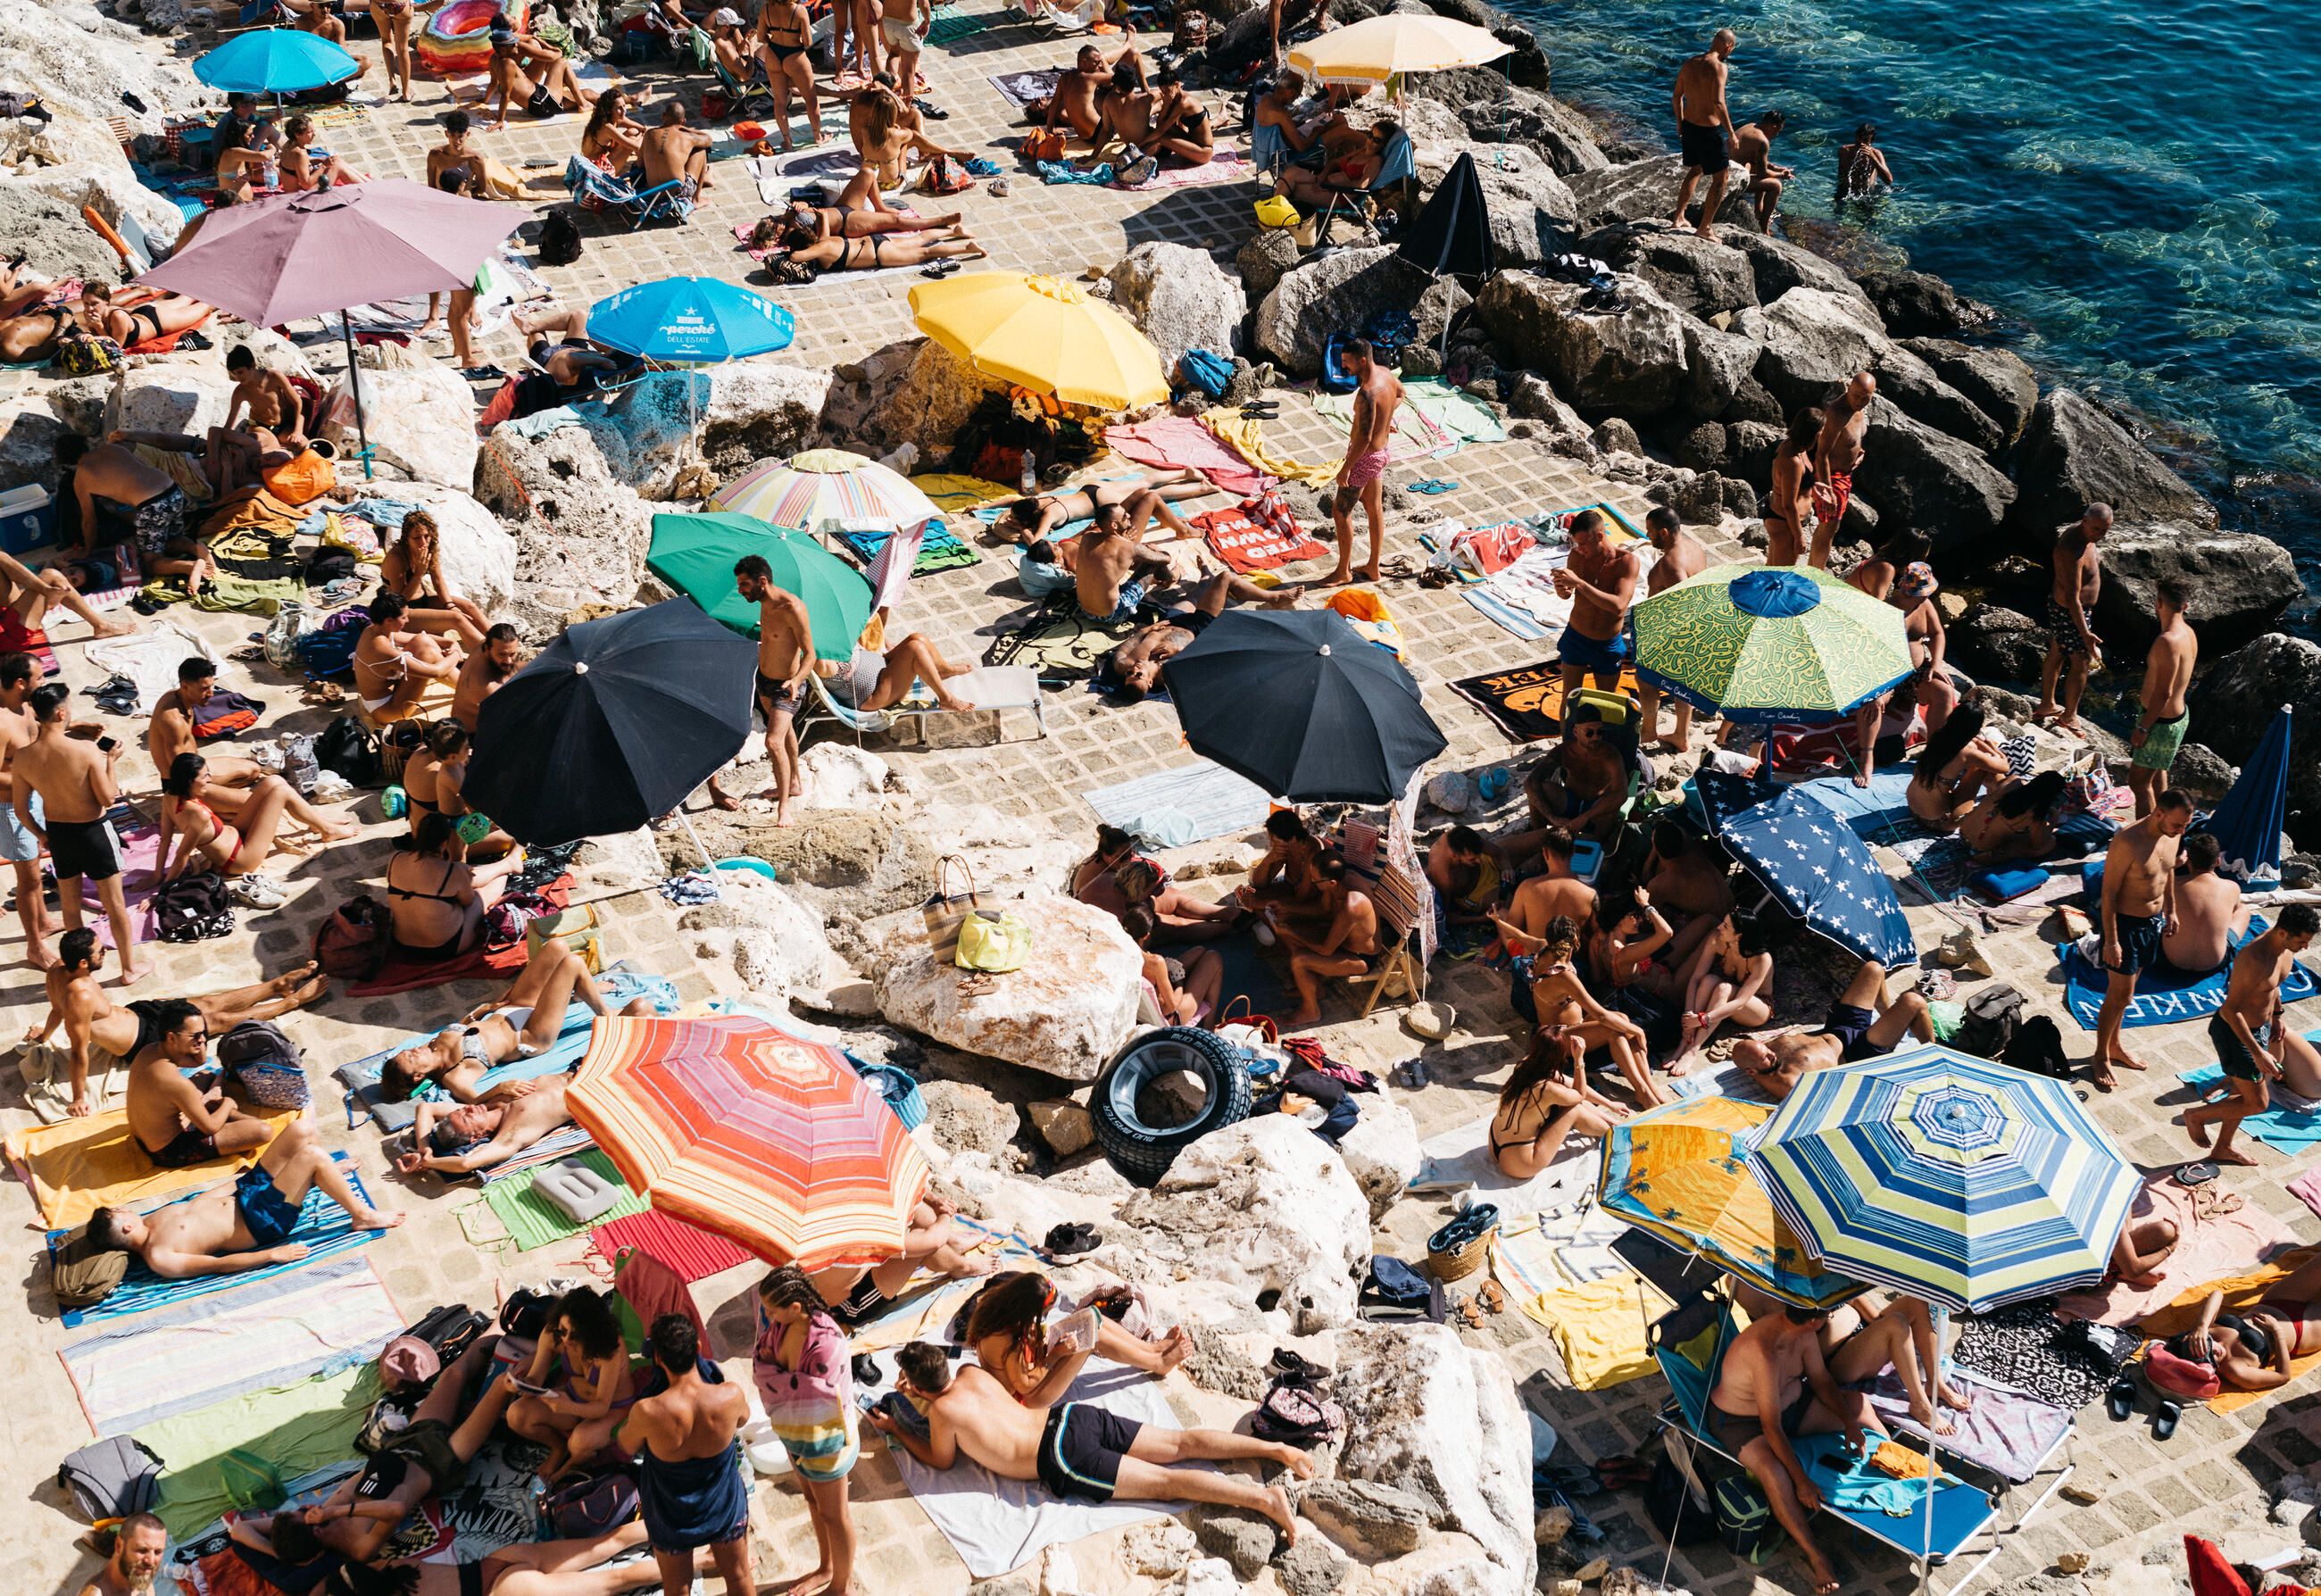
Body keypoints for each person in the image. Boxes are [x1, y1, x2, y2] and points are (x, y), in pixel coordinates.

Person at [873, 1341, 1305, 1540]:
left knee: (1166, 1483)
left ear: (916, 1386)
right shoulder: (971, 1373)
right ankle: (1277, 1449)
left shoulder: (943, 1413)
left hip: (1060, 1455)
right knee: (1181, 1444)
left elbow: (941, 1460)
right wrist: (922, 1387)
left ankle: (1264, 1500)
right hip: (1072, 1419)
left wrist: (897, 1428)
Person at [27, 934, 325, 1119]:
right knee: (217, 1021)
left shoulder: (57, 969)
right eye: (99, 951)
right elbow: (78, 1052)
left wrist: (44, 1036)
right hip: (142, 1040)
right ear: (82, 963)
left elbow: (55, 1009)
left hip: (138, 1013)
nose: (104, 951)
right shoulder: (79, 996)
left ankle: (277, 985)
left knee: (208, 1002)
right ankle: (292, 1001)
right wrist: (79, 1098)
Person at [1705, 1300, 1887, 1593]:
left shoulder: (1803, 1331)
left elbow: (1821, 1380)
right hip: (1742, 1421)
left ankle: (1899, 1466)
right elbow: (1771, 1427)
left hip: (1792, 1405)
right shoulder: (1764, 1351)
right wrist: (1801, 1481)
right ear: (1815, 1321)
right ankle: (1816, 1556)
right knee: (1775, 1473)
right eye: (1828, 1315)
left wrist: (1848, 1422)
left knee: (1859, 1406)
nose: (1830, 1318)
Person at [90, 1115, 402, 1276]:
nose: (125, 1208)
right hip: (260, 1220)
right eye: (120, 1212)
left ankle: (315, 1176)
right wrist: (270, 1255)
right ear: (126, 1227)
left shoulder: (148, 1220)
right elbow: (218, 1265)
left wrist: (246, 1179)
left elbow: (202, 1202)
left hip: (246, 1191)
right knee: (312, 1155)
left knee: (302, 1130)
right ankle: (362, 1215)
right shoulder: (160, 1257)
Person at [380, 935, 645, 1100]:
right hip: (529, 1034)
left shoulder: (432, 1045)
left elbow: (463, 1025)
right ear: (418, 1076)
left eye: (408, 1051)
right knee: (573, 964)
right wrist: (501, 1088)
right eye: (411, 1057)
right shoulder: (454, 1075)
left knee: (557, 947)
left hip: (511, 1008)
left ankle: (577, 993)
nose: (414, 1049)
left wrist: (483, 1009)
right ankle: (606, 1014)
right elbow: (475, 1099)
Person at [12, 683, 149, 985]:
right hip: (94, 832)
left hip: (59, 834)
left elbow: (21, 810)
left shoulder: (23, 758)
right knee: (115, 905)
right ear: (61, 713)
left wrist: (41, 835)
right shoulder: (85, 750)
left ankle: (78, 972)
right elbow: (107, 798)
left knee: (71, 908)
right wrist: (111, 761)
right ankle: (128, 969)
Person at [618, 1313, 755, 1596]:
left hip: (671, 1517)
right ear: (698, 1349)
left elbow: (626, 1445)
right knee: (739, 1576)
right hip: (724, 1508)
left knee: (677, 1586)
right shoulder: (730, 1395)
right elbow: (743, 1419)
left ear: (657, 1359)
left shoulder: (648, 1411)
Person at [2183, 904, 2321, 1164]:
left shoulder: (2284, 950)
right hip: (2236, 1034)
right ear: (2283, 933)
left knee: (2241, 1092)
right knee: (2257, 1103)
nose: (2305, 947)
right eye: (2301, 941)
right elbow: (2230, 1011)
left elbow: (2273, 986)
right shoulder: (2253, 959)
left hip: (2262, 1027)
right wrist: (2258, 1053)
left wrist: (2277, 1015)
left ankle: (2223, 1147)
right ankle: (2196, 1116)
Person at [754, 1268, 861, 1596]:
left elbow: (816, 1401)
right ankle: (826, 1568)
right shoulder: (780, 1327)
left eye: (771, 1310)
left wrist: (781, 1379)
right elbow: (764, 1367)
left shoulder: (827, 1343)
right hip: (795, 1434)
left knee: (836, 1515)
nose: (767, 1317)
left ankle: (843, 1586)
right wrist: (786, 1382)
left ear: (795, 1307)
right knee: (814, 1501)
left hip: (826, 1440)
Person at [2090, 788, 2192, 1088]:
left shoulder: (2172, 835)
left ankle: (2115, 1045)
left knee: (2128, 993)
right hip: (2125, 925)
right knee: (2120, 995)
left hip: (2152, 922)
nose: (2181, 831)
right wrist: (2111, 941)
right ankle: (2100, 1055)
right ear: (2159, 813)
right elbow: (2108, 893)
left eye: (2185, 825)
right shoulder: (2127, 841)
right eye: (2177, 824)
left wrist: (2171, 910)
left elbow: (2167, 872)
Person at [706, 554, 815, 822]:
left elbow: (811, 655)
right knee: (785, 732)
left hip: (787, 686)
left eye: (744, 584)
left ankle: (784, 809)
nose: (740, 591)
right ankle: (794, 783)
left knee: (773, 741)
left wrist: (796, 681)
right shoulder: (764, 603)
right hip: (764, 679)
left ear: (762, 581)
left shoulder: (793, 608)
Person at [959, 1271, 1191, 1395]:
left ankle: (1152, 1349)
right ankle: (1157, 1363)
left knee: (1092, 1315)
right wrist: (1055, 1355)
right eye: (1042, 1314)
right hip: (1029, 1396)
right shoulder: (1011, 1342)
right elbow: (1025, 1385)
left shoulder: (995, 1310)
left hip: (1031, 1365)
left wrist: (1041, 1340)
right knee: (1092, 1333)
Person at [1730, 959, 1934, 1100]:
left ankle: (1886, 1016)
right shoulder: (1786, 1082)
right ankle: (1934, 1054)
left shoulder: (1765, 1051)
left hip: (1839, 1028)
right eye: (1765, 1057)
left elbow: (1756, 1049)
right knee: (1913, 1001)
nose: (1770, 1053)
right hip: (1858, 1052)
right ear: (1752, 1071)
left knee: (1873, 969)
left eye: (1765, 1049)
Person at [160, 752, 358, 895]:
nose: (210, 780)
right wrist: (162, 891)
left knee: (273, 781)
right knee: (280, 793)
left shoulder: (169, 797)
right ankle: (327, 830)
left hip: (234, 832)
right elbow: (181, 856)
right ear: (189, 781)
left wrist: (155, 876)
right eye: (204, 777)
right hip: (240, 859)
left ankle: (319, 822)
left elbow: (165, 840)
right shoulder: (198, 816)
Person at [1093, 569, 1303, 702]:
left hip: (1172, 621)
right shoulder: (1168, 674)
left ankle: (1205, 577)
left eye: (1129, 675)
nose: (1134, 671)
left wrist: (1146, 631)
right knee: (1225, 577)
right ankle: (1273, 598)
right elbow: (1210, 663)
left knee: (1194, 597)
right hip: (1198, 627)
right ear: (1149, 683)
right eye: (1138, 675)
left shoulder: (1123, 665)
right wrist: (1180, 651)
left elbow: (1128, 645)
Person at [1524, 915, 1663, 1107]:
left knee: (1622, 1018)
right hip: (1556, 1038)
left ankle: (1650, 1086)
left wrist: (1498, 921)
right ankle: (1643, 1092)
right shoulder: (1563, 976)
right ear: (1575, 940)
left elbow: (1519, 936)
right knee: (1614, 1030)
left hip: (1571, 1027)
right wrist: (1638, 1031)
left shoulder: (1541, 948)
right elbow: (1601, 1015)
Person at [2170, 1219, 2321, 1390]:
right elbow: (2283, 1376)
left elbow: (2217, 1294)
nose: (2216, 1352)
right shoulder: (2236, 1371)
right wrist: (2277, 1332)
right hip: (2301, 1332)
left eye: (2209, 1347)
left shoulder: (2203, 1334)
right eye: (2212, 1360)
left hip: (2277, 1300)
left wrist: (2201, 1326)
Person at [506, 1286, 637, 1482]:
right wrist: (522, 1385)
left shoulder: (609, 1347)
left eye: (575, 1335)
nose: (566, 1339)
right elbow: (535, 1379)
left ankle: (568, 1468)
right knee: (516, 1414)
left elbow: (602, 1406)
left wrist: (567, 1406)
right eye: (563, 1330)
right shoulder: (553, 1334)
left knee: (580, 1442)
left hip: (613, 1408)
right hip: (572, 1397)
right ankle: (558, 1448)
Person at [123, 996, 275, 1166]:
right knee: (263, 1131)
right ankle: (217, 1108)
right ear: (171, 1038)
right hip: (168, 1150)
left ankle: (208, 1105)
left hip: (142, 1137)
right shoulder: (176, 1083)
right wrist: (227, 1104)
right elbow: (210, 1128)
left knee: (205, 1075)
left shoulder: (149, 1050)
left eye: (204, 1033)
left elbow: (199, 1062)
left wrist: (198, 1035)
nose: (202, 1040)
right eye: (194, 1036)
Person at [809, 1193, 998, 1326]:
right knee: (921, 1240)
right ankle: (963, 1266)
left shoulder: (835, 1207)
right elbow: (931, 1241)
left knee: (913, 1206)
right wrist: (944, 1214)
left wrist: (933, 1200)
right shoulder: (866, 1232)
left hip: (848, 1273)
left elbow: (907, 1189)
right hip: (850, 1304)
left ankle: (954, 1243)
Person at [55, 435, 212, 589]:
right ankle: (196, 548)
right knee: (170, 539)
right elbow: (138, 471)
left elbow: (89, 521)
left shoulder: (81, 477)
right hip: (172, 490)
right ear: (84, 443)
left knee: (150, 563)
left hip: (152, 504)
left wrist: (87, 550)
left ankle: (190, 566)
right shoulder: (113, 448)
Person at [1549, 510, 1641, 735]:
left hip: (1607, 643)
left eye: (1583, 544)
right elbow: (1567, 593)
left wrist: (1579, 584)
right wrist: (1562, 589)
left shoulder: (1626, 562)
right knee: (1570, 699)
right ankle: (1567, 745)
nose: (1579, 549)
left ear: (1599, 536)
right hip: (1576, 636)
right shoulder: (1577, 556)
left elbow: (1619, 606)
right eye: (1575, 544)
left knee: (1606, 703)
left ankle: (1604, 747)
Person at [1488, 1026, 1624, 1178]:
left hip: (1495, 1145)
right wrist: (1579, 1060)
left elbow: (1572, 1084)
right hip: (1520, 1163)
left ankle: (1614, 1123)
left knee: (1567, 1097)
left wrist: (1610, 1104)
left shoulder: (1524, 1065)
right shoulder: (1547, 1089)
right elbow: (1580, 1094)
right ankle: (1614, 1134)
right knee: (1573, 1109)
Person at [383, 811, 519, 963]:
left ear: (416, 835)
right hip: (444, 948)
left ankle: (507, 864)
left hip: (402, 944)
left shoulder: (396, 859)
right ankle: (508, 866)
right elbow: (467, 901)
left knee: (453, 884)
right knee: (480, 897)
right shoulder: (452, 871)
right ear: (443, 844)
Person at [1491, 833, 1598, 1023]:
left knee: (1503, 914)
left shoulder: (1528, 887)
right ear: (1573, 852)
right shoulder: (1590, 894)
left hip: (1532, 980)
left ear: (1545, 853)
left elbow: (1511, 930)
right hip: (1570, 976)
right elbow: (1595, 934)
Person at [1271, 853, 1383, 1028]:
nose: (1311, 881)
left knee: (1299, 960)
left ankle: (1311, 1011)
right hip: (1340, 940)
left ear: (1331, 883)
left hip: (1360, 957)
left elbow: (1326, 950)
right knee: (1286, 922)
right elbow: (1322, 909)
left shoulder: (1352, 906)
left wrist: (1292, 932)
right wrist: (1287, 907)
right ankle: (1316, 988)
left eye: (1314, 880)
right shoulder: (1340, 880)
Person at [398, 1072, 580, 1179]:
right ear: (475, 1137)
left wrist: (423, 1148)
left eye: (462, 1110)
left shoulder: (484, 1106)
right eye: (467, 1118)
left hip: (577, 1068)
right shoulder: (510, 1136)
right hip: (588, 1091)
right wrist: (428, 1161)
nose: (469, 1108)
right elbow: (466, 1163)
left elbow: (425, 1108)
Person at [0, 651, 58, 968]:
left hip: (31, 798)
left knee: (35, 865)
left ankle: (45, 922)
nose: (44, 681)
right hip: (9, 809)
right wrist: (29, 780)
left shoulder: (26, 706)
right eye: (40, 677)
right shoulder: (1, 723)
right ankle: (34, 947)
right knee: (29, 880)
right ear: (21, 683)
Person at [1327, 339, 1401, 586]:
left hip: (1365, 458)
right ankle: (1373, 567)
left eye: (1347, 363)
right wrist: (1385, 418)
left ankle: (1343, 571)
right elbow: (1401, 394)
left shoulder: (1367, 393)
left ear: (1362, 360)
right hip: (1382, 452)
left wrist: (1345, 468)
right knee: (1373, 505)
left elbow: (1364, 438)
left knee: (1340, 512)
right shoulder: (1386, 374)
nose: (1344, 367)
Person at [1665, 913, 1774, 1075]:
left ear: (1739, 936)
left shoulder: (1762, 959)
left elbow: (1740, 1002)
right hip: (1726, 1000)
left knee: (1724, 988)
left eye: (1725, 926)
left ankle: (1693, 1050)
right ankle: (1684, 1042)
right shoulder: (1717, 939)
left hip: (1755, 1008)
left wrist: (1703, 1019)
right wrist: (1688, 1016)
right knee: (1709, 980)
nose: (1719, 927)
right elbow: (1696, 979)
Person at [2036, 503, 2110, 737]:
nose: (2100, 535)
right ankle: (2069, 716)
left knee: (2058, 650)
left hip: (2070, 609)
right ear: (2084, 520)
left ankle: (2047, 704)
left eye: (2105, 530)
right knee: (2081, 661)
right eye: (2096, 529)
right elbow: (2072, 598)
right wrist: (2086, 634)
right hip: (2070, 611)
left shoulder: (2087, 536)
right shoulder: (2071, 550)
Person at [1636, 506, 1705, 748]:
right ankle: (1681, 735)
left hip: (1670, 632)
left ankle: (1648, 731)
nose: (1647, 536)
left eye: (1650, 531)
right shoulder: (1694, 547)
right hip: (1692, 631)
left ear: (1663, 532)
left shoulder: (1671, 564)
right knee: (1682, 684)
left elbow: (1685, 602)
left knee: (1646, 682)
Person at [994, 469, 1209, 545]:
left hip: (1101, 502)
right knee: (1145, 482)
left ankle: (1203, 488)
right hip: (1093, 488)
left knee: (1154, 497)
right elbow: (1012, 500)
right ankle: (1185, 473)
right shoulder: (1038, 501)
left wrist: (1021, 528)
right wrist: (980, 506)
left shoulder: (1049, 514)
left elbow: (1036, 542)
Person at [2129, 576, 2197, 816]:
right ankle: (2164, 822)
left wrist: (2144, 727)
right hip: (2176, 717)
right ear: (2185, 606)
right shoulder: (2189, 633)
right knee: (2157, 770)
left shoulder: (2167, 641)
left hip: (2160, 722)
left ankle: (2146, 833)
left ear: (2158, 603)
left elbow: (2164, 692)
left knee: (2139, 783)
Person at [401, 721, 512, 858]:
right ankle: (451, 866)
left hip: (429, 827)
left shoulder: (422, 752)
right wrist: (488, 821)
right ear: (452, 754)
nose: (469, 750)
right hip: (442, 835)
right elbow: (469, 803)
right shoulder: (441, 773)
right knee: (513, 837)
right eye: (465, 747)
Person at [379, 511, 490, 646]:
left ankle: (497, 641)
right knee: (455, 618)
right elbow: (401, 600)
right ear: (407, 538)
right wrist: (419, 573)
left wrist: (450, 605)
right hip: (401, 612)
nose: (423, 542)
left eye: (426, 536)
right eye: (417, 538)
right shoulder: (397, 557)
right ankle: (487, 652)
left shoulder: (429, 549)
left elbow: (438, 580)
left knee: (469, 606)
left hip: (423, 600)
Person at [1668, 29, 1738, 240]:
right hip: (1708, 131)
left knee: (1696, 169)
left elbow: (1676, 96)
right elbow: (1718, 103)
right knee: (1721, 178)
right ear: (1728, 47)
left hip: (1689, 125)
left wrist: (1680, 123)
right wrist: (1731, 133)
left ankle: (1678, 217)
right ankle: (1705, 228)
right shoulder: (1719, 67)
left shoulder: (1690, 63)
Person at [354, 593, 465, 723]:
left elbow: (420, 637)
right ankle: (467, 687)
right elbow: (437, 671)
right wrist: (456, 654)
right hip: (385, 710)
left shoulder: (374, 630)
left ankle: (465, 686)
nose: (407, 621)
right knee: (429, 655)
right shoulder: (383, 650)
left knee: (422, 641)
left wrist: (451, 643)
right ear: (389, 620)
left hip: (382, 695)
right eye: (404, 617)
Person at [1082, 855, 1244, 943]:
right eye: (1152, 890)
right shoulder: (1115, 913)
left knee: (1172, 896)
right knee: (1176, 925)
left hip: (1131, 900)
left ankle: (1229, 913)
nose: (1157, 892)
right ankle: (1229, 925)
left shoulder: (1116, 877)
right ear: (1139, 891)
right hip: (1126, 926)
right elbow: (1137, 943)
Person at [1643, 819, 1735, 972]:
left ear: (1657, 849)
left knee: (1646, 939)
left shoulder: (1660, 885)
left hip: (1716, 931)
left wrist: (1648, 863)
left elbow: (1648, 924)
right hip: (1729, 911)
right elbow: (1676, 832)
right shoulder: (1687, 843)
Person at [1906, 701, 2009, 835]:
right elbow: (2004, 767)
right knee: (1982, 768)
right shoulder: (1967, 752)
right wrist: (1991, 747)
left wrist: (1977, 741)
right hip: (1940, 822)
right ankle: (2002, 804)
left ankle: (1999, 797)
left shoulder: (1938, 736)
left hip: (1913, 810)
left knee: (1983, 762)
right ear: (1976, 728)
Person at [819, 628, 978, 714]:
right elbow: (816, 658)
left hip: (882, 665)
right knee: (915, 649)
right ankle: (946, 698)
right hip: (875, 694)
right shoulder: (822, 660)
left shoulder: (831, 633)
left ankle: (943, 670)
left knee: (918, 638)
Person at [2163, 832, 2251, 977]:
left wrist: (2172, 866)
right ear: (2218, 862)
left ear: (2187, 861)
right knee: (2243, 909)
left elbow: (2152, 881)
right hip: (2212, 965)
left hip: (2169, 962)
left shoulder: (2172, 883)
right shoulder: (2231, 887)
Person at [1809, 373, 1875, 568]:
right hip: (1832, 477)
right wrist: (1827, 490)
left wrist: (1859, 453)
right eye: (1856, 396)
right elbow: (1821, 454)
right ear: (1849, 388)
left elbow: (1851, 439)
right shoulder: (1837, 413)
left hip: (1846, 476)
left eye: (1865, 398)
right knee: (1829, 528)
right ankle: (1815, 573)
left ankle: (1812, 569)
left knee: (1828, 528)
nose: (1860, 401)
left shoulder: (1858, 409)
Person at [1074, 501, 1177, 624]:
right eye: (1124, 516)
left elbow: (1108, 557)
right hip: (1112, 615)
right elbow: (1166, 559)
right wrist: (1158, 550)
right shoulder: (1130, 548)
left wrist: (1124, 541)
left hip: (1083, 608)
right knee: (1151, 562)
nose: (1129, 515)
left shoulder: (1087, 537)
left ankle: (1167, 578)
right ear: (1114, 525)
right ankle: (1171, 578)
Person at [777, 219, 986, 277]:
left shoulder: (819, 250)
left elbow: (796, 257)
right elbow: (822, 218)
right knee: (918, 239)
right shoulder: (825, 240)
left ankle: (967, 248)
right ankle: (953, 231)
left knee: (925, 253)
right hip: (876, 241)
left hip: (879, 254)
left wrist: (788, 252)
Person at [1125, 902, 1223, 1025]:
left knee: (1199, 951)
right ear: (1146, 935)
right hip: (1173, 1017)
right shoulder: (1156, 962)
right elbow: (1171, 1006)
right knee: (1213, 958)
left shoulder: (1122, 950)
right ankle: (1209, 1024)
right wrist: (1179, 982)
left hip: (1156, 1000)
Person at [487, 28, 598, 128]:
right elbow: (505, 94)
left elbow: (493, 83)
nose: (517, 45)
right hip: (542, 102)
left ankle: (597, 101)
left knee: (589, 93)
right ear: (503, 50)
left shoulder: (493, 59)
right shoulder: (507, 63)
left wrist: (484, 100)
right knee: (562, 62)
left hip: (539, 102)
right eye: (512, 44)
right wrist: (500, 120)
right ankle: (583, 104)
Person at [753, 0, 823, 149]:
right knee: (810, 99)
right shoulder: (799, 10)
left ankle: (787, 141)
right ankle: (818, 137)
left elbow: (761, 37)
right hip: (795, 55)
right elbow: (808, 41)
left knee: (779, 101)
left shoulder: (766, 9)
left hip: (773, 54)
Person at [1586, 882, 1676, 999]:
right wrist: (1646, 905)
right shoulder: (1624, 953)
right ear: (1619, 917)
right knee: (1701, 925)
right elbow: (1666, 932)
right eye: (1635, 916)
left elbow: (1597, 978)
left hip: (1658, 977)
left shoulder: (1597, 939)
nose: (1640, 920)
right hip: (1667, 990)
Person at [1035, 44, 1144, 138]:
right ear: (1084, 62)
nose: (1039, 98)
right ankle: (1146, 97)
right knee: (1120, 91)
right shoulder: (1090, 78)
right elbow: (1120, 78)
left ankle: (1127, 46)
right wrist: (1103, 61)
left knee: (1131, 53)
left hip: (1091, 133)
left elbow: (1055, 103)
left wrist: (1050, 130)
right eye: (1096, 62)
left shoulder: (1065, 77)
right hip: (1100, 133)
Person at [1763, 407, 1820, 568]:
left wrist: (1816, 487)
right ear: (1811, 434)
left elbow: (1799, 482)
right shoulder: (1792, 461)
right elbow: (1789, 504)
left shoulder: (1793, 446)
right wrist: (1799, 536)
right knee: (1780, 576)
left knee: (1771, 571)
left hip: (1781, 519)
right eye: (1819, 433)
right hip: (1784, 523)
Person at [76, 287, 212, 353]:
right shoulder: (94, 314)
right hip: (145, 313)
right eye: (86, 304)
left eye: (94, 304)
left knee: (207, 305)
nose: (89, 308)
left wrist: (99, 327)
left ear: (106, 301)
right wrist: (87, 334)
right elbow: (95, 334)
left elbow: (115, 348)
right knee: (187, 295)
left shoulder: (117, 316)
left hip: (160, 322)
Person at [1427, 825, 1508, 927]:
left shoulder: (1464, 838)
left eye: (1479, 854)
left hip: (1488, 862)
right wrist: (1480, 919)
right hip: (1478, 892)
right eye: (1472, 859)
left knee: (1526, 841)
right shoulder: (1443, 876)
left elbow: (1500, 853)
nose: (1479, 861)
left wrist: (1507, 868)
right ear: (1454, 856)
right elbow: (1446, 917)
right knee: (1512, 904)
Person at [453, 623, 524, 735]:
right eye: (502, 654)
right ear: (487, 649)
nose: (508, 660)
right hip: (471, 736)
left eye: (512, 654)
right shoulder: (485, 686)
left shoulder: (482, 645)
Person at [79, 1511, 167, 1596]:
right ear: (118, 1545)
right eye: (142, 1550)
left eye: (158, 1552)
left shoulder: (141, 1578)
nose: (151, 1561)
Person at [1729, 110, 1791, 229]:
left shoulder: (1750, 126)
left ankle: (1758, 211)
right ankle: (1763, 225)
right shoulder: (1763, 141)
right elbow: (1763, 173)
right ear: (1773, 128)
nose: (1777, 135)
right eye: (1778, 131)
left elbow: (1755, 160)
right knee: (1775, 186)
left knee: (1755, 166)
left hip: (1723, 168)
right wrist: (1781, 175)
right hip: (1730, 180)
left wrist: (1775, 168)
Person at [1139, 68, 1214, 166]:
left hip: (1203, 152)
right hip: (1192, 143)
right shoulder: (1173, 98)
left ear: (1177, 84)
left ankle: (1135, 161)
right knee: (1166, 130)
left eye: (1168, 90)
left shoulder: (1184, 102)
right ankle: (1137, 156)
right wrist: (1166, 105)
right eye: (1163, 91)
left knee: (1161, 139)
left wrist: (1141, 144)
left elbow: (1160, 131)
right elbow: (1160, 125)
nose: (1165, 94)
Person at [280, 114, 364, 190]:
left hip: (294, 192)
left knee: (337, 162)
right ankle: (367, 188)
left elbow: (298, 165)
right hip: (301, 196)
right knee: (338, 167)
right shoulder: (300, 153)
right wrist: (324, 165)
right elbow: (306, 184)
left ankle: (368, 185)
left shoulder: (288, 145)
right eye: (310, 132)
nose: (314, 134)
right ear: (297, 134)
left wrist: (321, 160)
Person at [426, 109, 490, 200]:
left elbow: (481, 188)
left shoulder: (475, 159)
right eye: (453, 136)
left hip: (464, 203)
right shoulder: (436, 155)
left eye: (460, 136)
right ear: (446, 134)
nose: (457, 141)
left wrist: (465, 193)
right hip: (442, 201)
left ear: (467, 134)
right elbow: (431, 186)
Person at [578, 91, 645, 174]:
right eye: (619, 108)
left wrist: (642, 132)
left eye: (624, 106)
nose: (624, 110)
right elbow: (637, 147)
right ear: (609, 110)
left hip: (599, 161)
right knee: (632, 142)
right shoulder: (606, 127)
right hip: (595, 169)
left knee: (634, 132)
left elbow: (642, 128)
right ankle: (644, 168)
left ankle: (642, 166)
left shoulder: (615, 117)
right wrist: (642, 136)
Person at [1835, 121, 1894, 201]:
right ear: (1856, 136)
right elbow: (1840, 173)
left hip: (1867, 193)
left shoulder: (1876, 154)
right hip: (1845, 190)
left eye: (1866, 140)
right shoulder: (1844, 151)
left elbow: (1889, 181)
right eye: (1859, 138)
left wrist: (1873, 157)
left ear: (1871, 141)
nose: (1861, 143)